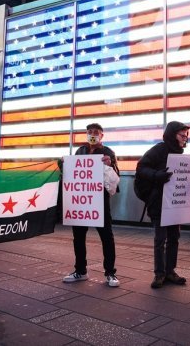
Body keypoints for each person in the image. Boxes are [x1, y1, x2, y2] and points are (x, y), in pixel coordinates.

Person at [135, 121, 190, 289]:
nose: (185, 139)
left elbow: (182, 177)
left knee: (174, 238)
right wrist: (157, 175)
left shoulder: (181, 153)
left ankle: (170, 272)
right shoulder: (159, 149)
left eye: (186, 136)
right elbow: (141, 167)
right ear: (172, 134)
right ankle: (159, 274)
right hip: (159, 202)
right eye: (182, 135)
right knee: (160, 239)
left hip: (175, 203)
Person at [62, 123, 121, 287]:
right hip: (81, 202)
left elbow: (116, 176)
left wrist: (110, 165)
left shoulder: (108, 152)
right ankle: (80, 271)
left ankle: (110, 273)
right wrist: (64, 164)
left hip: (99, 202)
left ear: (102, 136)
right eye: (90, 132)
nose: (92, 134)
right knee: (78, 237)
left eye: (96, 132)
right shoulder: (80, 151)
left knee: (106, 237)